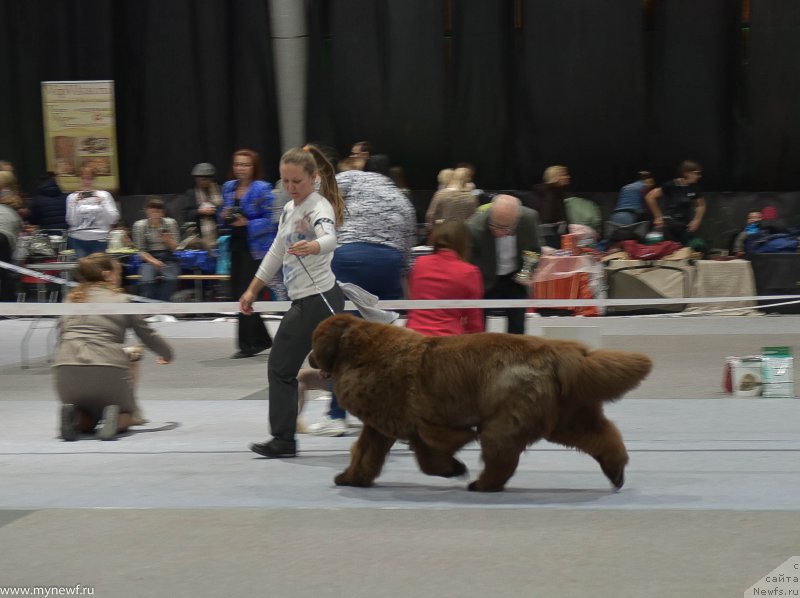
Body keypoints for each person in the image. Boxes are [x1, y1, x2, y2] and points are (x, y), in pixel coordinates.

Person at [244, 144, 346, 459]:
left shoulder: (320, 207)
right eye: (285, 181)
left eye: (297, 181)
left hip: (318, 301)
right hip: (308, 301)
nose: (290, 188)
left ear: (314, 178)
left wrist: (314, 246)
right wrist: (253, 288)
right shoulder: (290, 209)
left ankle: (284, 440)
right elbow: (277, 249)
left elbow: (331, 239)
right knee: (343, 371)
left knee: (281, 368)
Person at [306, 153, 416, 437]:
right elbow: (407, 249)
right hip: (389, 262)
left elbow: (318, 197)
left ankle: (336, 415)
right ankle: (386, 414)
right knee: (384, 343)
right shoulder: (401, 196)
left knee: (342, 341)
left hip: (349, 256)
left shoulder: (351, 177)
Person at [54, 253, 173, 441]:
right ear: (107, 274)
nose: (120, 277)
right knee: (126, 413)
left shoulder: (69, 300)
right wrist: (167, 353)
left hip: (66, 373)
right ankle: (116, 419)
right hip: (108, 371)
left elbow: (61, 335)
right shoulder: (121, 300)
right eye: (118, 272)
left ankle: (75, 416)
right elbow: (147, 334)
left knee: (87, 417)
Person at [219, 149, 280, 359]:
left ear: (254, 167)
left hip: (255, 248)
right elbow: (224, 215)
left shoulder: (263, 188)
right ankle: (261, 339)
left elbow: (271, 219)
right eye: (237, 164)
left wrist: (248, 223)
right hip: (235, 243)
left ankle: (248, 344)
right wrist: (225, 216)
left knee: (246, 291)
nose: (240, 168)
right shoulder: (228, 187)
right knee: (238, 292)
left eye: (245, 165)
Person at [466, 194, 542, 335]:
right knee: (478, 328)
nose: (499, 231)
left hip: (515, 278)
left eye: (505, 228)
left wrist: (526, 272)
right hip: (486, 279)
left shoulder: (529, 218)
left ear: (517, 220)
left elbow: (534, 249)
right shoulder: (473, 227)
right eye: (494, 226)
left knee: (517, 327)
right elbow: (469, 262)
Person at [407, 220, 484, 336]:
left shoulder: (419, 263)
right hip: (447, 339)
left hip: (413, 335)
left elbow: (412, 297)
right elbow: (473, 319)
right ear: (463, 243)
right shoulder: (470, 272)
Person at [645, 160, 706, 246]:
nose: (699, 176)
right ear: (687, 173)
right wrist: (658, 217)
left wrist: (696, 220)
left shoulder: (694, 188)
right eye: (696, 173)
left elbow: (701, 205)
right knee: (655, 241)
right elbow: (650, 197)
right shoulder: (671, 185)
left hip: (685, 225)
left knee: (698, 246)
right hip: (670, 224)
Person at [132, 198, 180, 301]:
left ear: (163, 212)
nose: (156, 214)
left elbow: (176, 249)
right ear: (147, 211)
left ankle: (162, 307)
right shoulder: (139, 225)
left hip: (168, 256)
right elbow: (140, 250)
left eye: (159, 211)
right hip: (148, 257)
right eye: (153, 211)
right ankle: (151, 308)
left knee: (171, 278)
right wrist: (153, 261)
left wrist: (168, 240)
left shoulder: (171, 223)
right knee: (146, 280)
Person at [65, 166, 119, 257]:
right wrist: (74, 205)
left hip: (100, 239)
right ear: (79, 179)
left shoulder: (104, 195)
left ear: (94, 180)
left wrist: (102, 204)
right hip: (78, 240)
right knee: (84, 270)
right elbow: (71, 222)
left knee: (99, 269)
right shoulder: (72, 197)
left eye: (89, 179)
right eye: (83, 178)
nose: (86, 182)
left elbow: (113, 219)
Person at [182, 162, 222, 249]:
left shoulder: (220, 190)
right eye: (198, 179)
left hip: (219, 233)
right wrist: (200, 211)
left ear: (210, 179)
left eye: (203, 179)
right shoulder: (191, 193)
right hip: (199, 236)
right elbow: (186, 215)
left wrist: (214, 211)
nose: (200, 182)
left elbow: (224, 211)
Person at [0, 192, 23, 301]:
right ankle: (7, 303)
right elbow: (17, 239)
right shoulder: (15, 216)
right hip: (3, 240)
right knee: (5, 274)